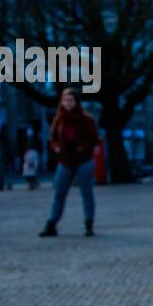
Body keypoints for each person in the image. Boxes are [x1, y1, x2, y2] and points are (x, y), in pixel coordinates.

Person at [40, 88, 99, 237]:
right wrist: (56, 147)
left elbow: (94, 139)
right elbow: (52, 137)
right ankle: (52, 223)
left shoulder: (87, 119)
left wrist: (83, 147)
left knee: (86, 193)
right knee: (59, 192)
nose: (68, 103)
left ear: (76, 102)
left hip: (83, 159)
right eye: (65, 100)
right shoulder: (59, 119)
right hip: (65, 160)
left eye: (71, 100)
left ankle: (88, 223)